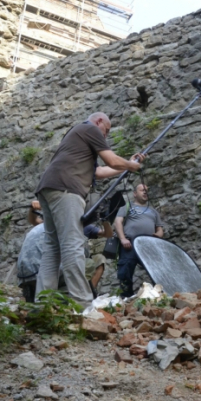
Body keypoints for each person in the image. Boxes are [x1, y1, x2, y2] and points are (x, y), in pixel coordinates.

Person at [34, 112, 145, 307]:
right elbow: (111, 160)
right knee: (72, 244)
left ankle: (42, 303)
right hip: (67, 189)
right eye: (107, 131)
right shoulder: (90, 128)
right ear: (99, 121)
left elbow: (99, 171)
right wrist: (131, 165)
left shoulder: (77, 136)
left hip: (49, 188)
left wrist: (127, 166)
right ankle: (82, 302)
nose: (106, 136)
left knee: (52, 247)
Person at [114, 183, 164, 298]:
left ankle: (158, 295)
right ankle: (126, 298)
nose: (145, 192)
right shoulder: (127, 207)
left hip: (148, 246)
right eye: (142, 190)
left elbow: (160, 229)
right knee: (125, 272)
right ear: (135, 194)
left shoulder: (153, 211)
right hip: (129, 245)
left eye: (147, 190)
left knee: (157, 271)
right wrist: (122, 238)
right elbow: (118, 222)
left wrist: (157, 235)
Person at [17, 201, 44, 303]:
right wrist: (33, 209)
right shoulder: (52, 225)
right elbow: (34, 220)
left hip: (25, 270)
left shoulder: (44, 227)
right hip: (37, 269)